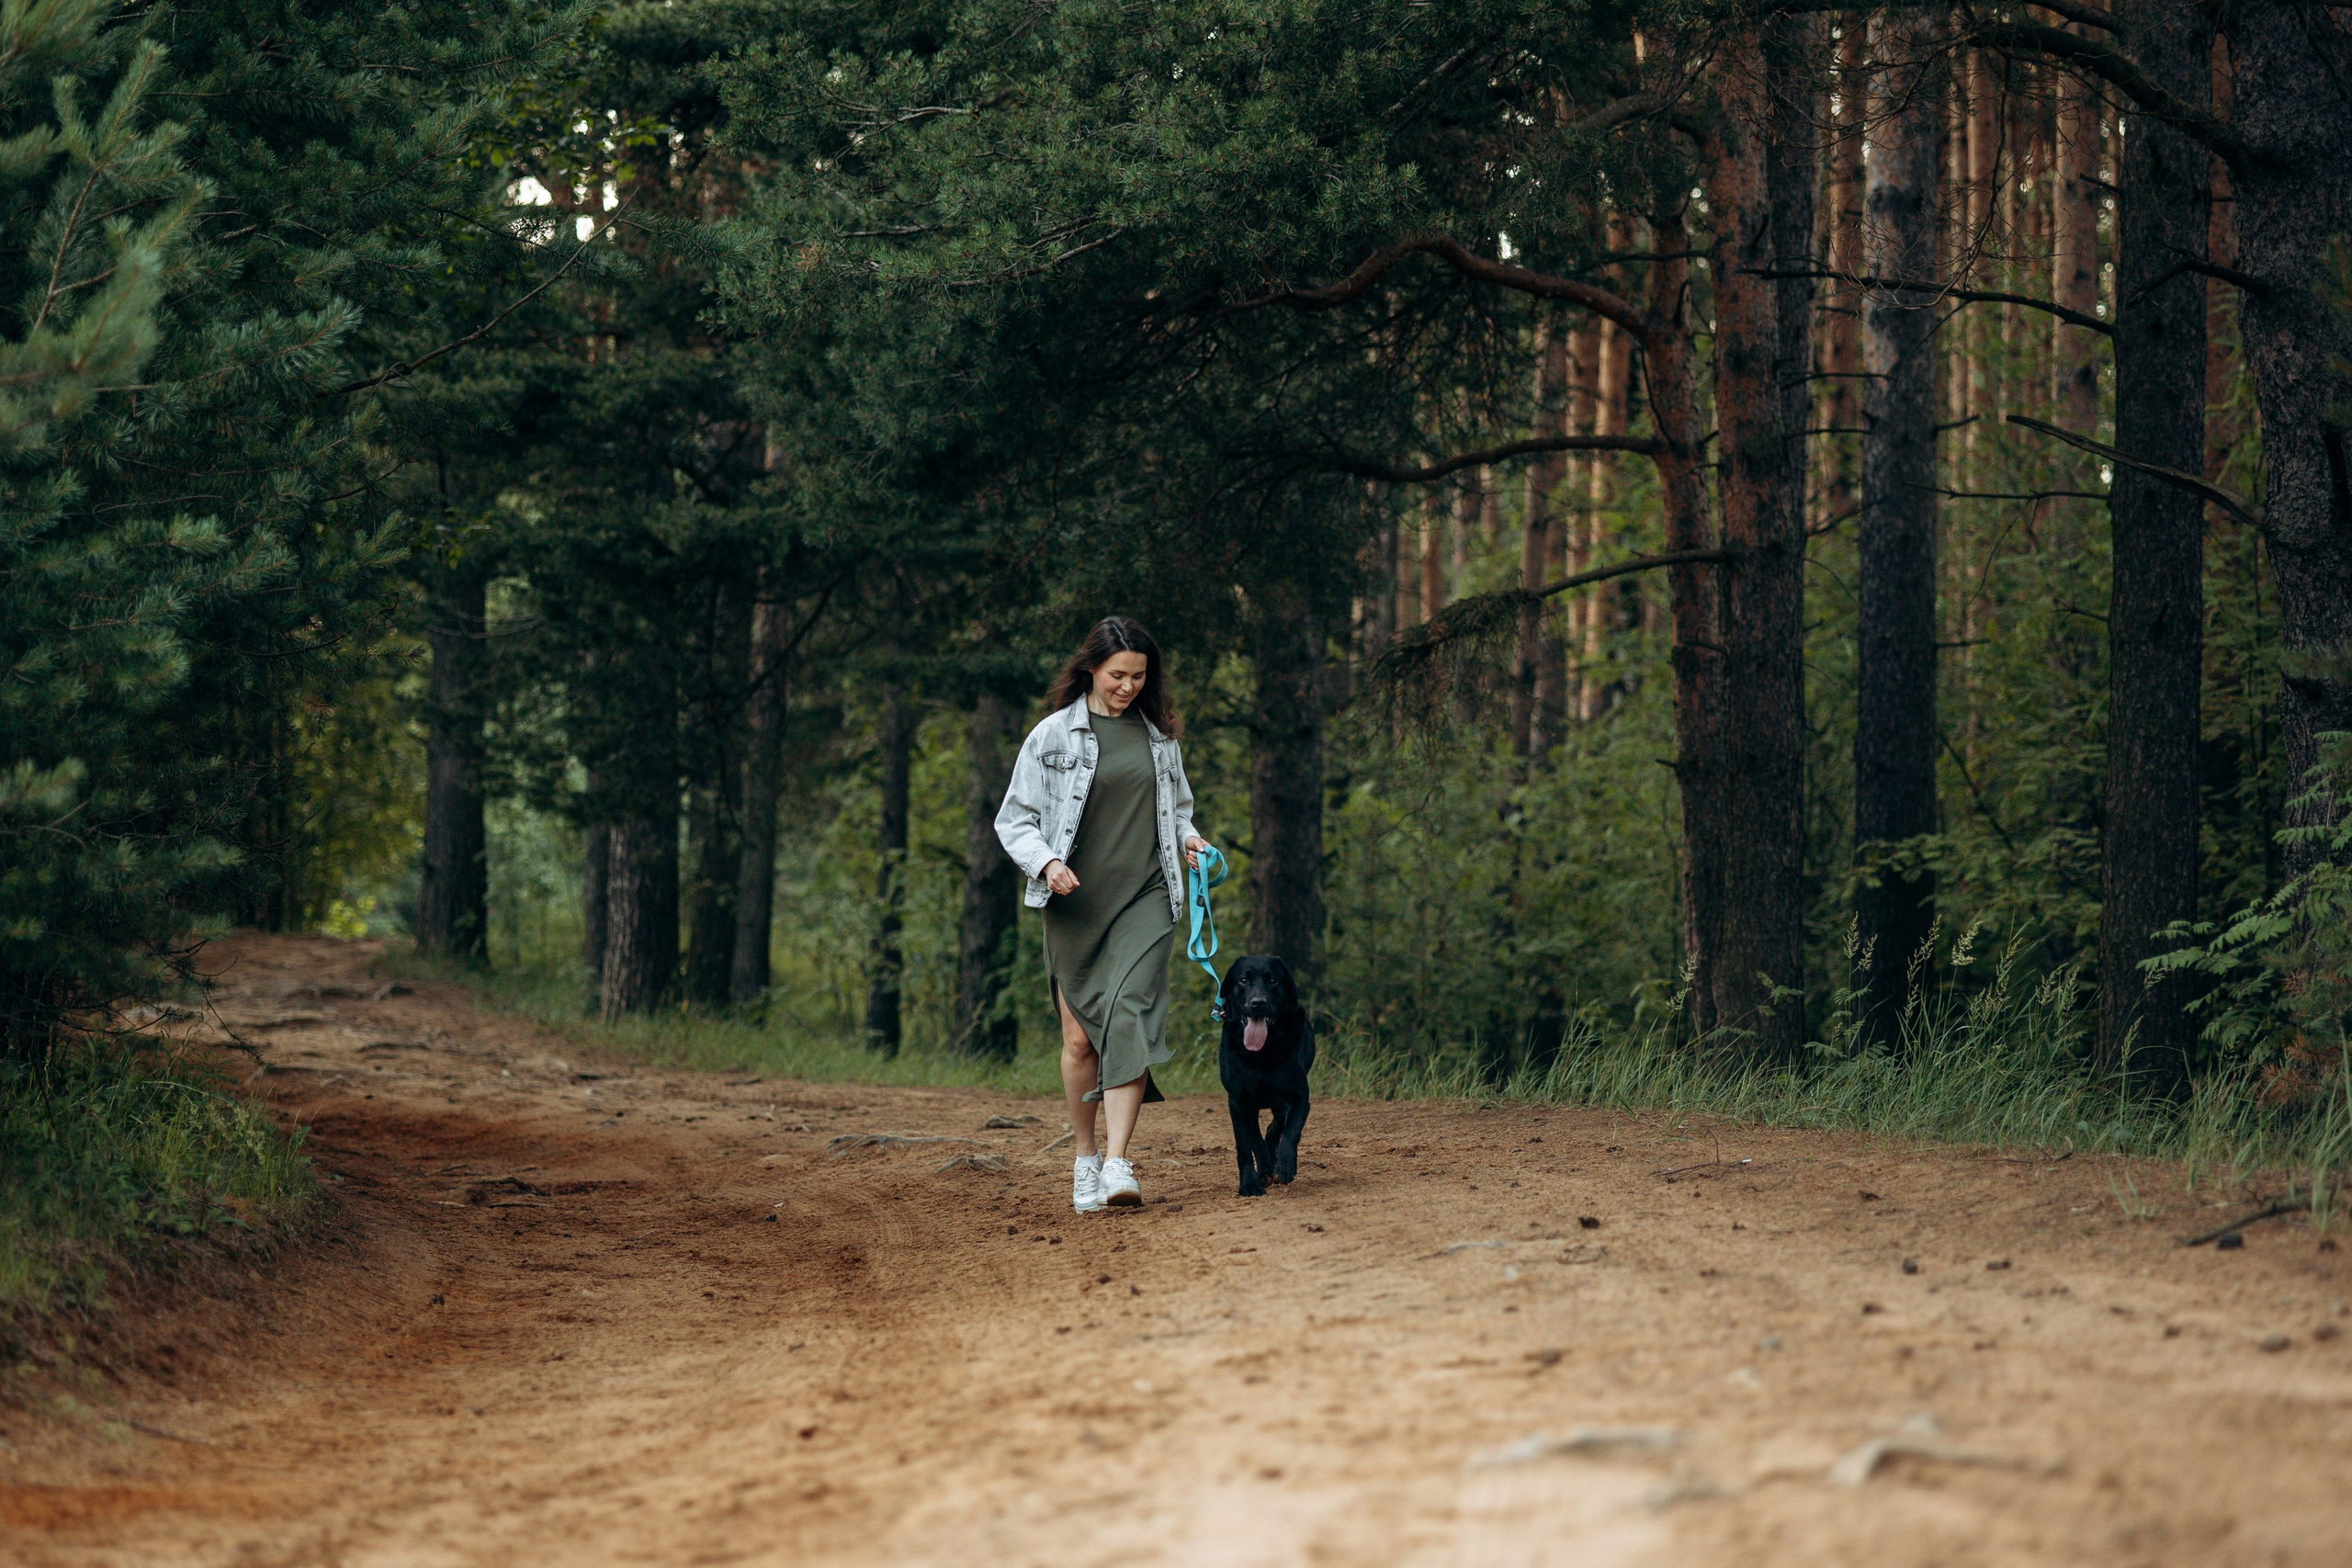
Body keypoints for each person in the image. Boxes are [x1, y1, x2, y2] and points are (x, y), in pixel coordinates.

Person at [995, 616, 1211, 1213]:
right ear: (1091, 668)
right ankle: (1085, 1157)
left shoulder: (1160, 739)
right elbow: (1014, 820)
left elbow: (1178, 811)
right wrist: (1044, 863)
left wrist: (1190, 840)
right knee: (1079, 1040)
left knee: (1129, 1016)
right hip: (1076, 902)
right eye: (1118, 674)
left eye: (1139, 676)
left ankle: (1119, 1160)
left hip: (1147, 895)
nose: (1129, 686)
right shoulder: (1052, 736)